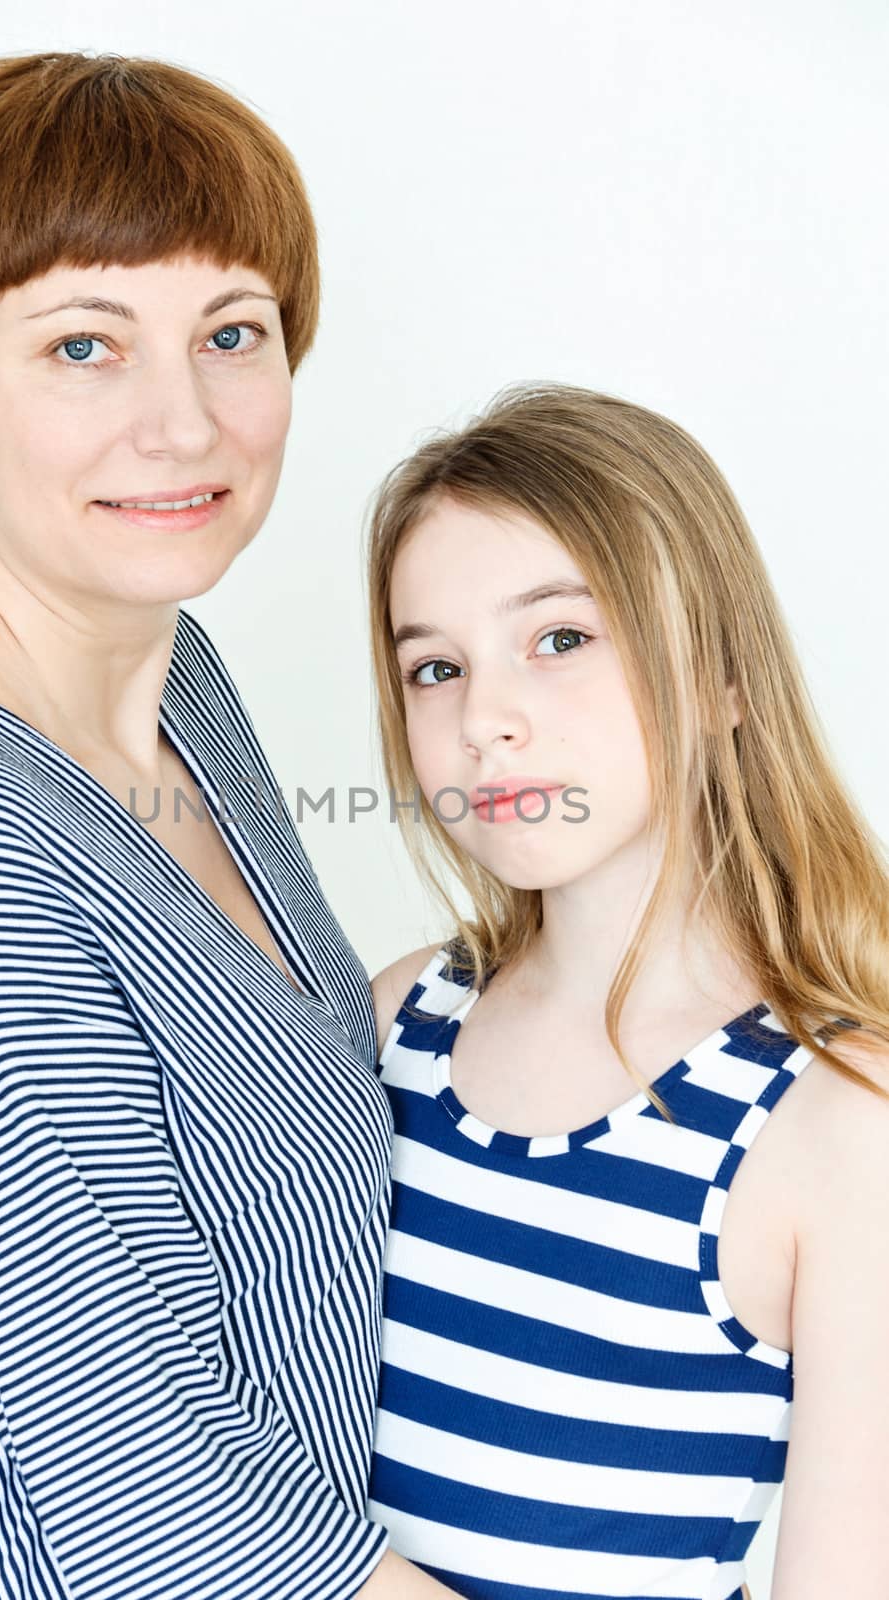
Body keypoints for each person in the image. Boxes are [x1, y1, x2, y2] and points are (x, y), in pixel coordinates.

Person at [0, 50, 458, 1599]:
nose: (184, 427)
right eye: (85, 345)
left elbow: (233, 1079)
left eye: (231, 334)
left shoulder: (173, 681)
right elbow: (151, 1500)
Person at [362, 383, 889, 1600]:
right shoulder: (396, 1022)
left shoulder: (834, 1123)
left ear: (719, 678)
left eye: (558, 638)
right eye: (433, 667)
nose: (484, 718)